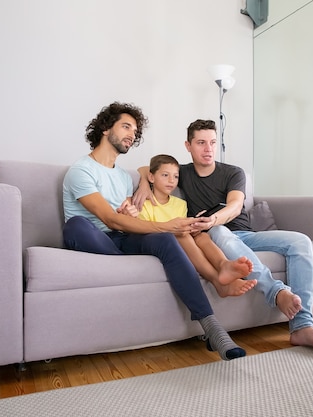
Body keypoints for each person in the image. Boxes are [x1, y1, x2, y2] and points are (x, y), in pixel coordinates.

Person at [134, 119, 313, 355]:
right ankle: (277, 293)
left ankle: (302, 325)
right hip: (216, 237)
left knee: (300, 241)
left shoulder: (233, 172)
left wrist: (213, 219)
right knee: (220, 231)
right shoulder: (182, 173)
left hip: (245, 235)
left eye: (212, 142)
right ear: (188, 146)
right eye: (201, 143)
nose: (208, 149)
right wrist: (142, 185)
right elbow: (146, 169)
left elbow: (235, 205)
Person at [62, 103, 246, 361]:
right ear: (105, 128)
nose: (132, 134)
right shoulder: (81, 170)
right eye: (126, 126)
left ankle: (213, 328)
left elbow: (125, 217)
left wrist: (132, 211)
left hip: (121, 240)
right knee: (77, 225)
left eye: (135, 130)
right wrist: (164, 225)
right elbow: (108, 219)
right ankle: (127, 259)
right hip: (93, 237)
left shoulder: (124, 177)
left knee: (163, 241)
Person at [138, 154, 256, 297]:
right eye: (165, 175)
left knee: (202, 236)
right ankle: (217, 282)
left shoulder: (180, 204)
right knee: (184, 237)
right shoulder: (144, 202)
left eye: (175, 177)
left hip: (180, 236)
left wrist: (193, 224)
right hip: (158, 240)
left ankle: (223, 265)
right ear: (151, 177)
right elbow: (144, 229)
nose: (171, 180)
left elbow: (182, 224)